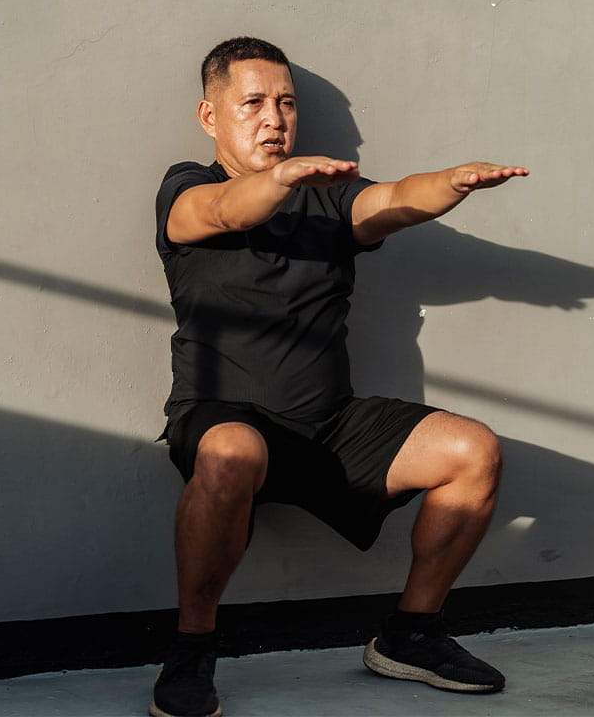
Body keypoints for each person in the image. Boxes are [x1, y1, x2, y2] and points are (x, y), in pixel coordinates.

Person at [152, 36, 529, 717]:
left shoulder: (325, 198)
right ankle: (191, 651)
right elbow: (220, 213)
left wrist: (451, 183)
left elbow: (393, 198)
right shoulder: (186, 188)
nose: (275, 119)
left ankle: (410, 634)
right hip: (225, 421)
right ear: (211, 116)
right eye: (255, 103)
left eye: (287, 104)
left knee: (472, 451)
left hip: (330, 425)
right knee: (232, 449)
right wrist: (278, 181)